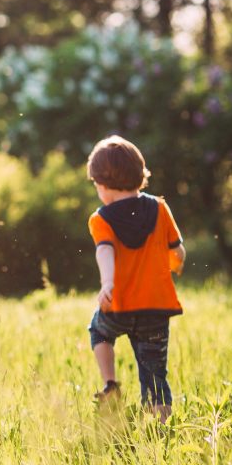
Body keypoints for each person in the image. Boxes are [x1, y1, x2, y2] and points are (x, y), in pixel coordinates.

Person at [86, 135, 185, 424]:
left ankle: (110, 384)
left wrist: (107, 283)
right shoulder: (159, 208)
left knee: (99, 331)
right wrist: (175, 265)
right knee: (154, 373)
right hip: (156, 308)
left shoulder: (100, 218)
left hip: (120, 305)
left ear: (102, 184)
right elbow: (177, 251)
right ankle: (161, 432)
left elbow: (104, 251)